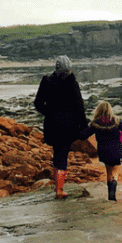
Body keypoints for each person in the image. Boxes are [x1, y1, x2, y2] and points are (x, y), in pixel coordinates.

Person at [33, 55, 88, 199]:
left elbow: (38, 103)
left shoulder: (46, 81)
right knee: (62, 156)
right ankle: (59, 189)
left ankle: (58, 187)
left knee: (57, 155)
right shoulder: (71, 83)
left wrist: (49, 113)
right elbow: (79, 107)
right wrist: (84, 127)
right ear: (68, 68)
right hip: (67, 125)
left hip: (52, 124)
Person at [83, 100, 122, 200]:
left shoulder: (95, 123)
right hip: (116, 149)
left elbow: (83, 135)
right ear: (110, 110)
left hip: (103, 150)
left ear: (98, 111)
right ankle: (113, 189)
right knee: (115, 172)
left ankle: (110, 195)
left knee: (108, 171)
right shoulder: (116, 121)